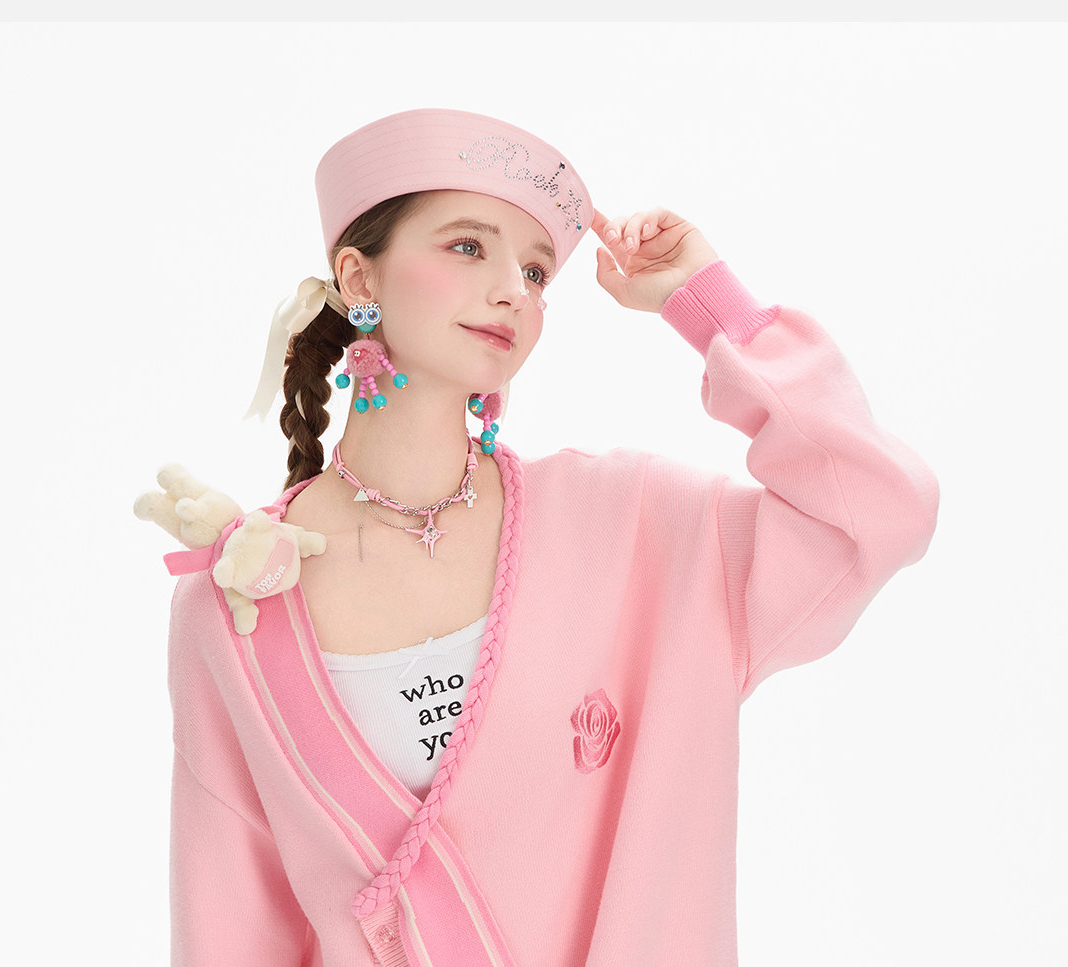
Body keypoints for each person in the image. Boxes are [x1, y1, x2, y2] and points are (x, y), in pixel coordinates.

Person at [145, 108, 939, 966]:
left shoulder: (635, 527)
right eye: (467, 247)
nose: (513, 292)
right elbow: (231, 932)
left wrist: (712, 305)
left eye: (534, 270)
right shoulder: (235, 601)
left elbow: (874, 509)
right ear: (357, 273)